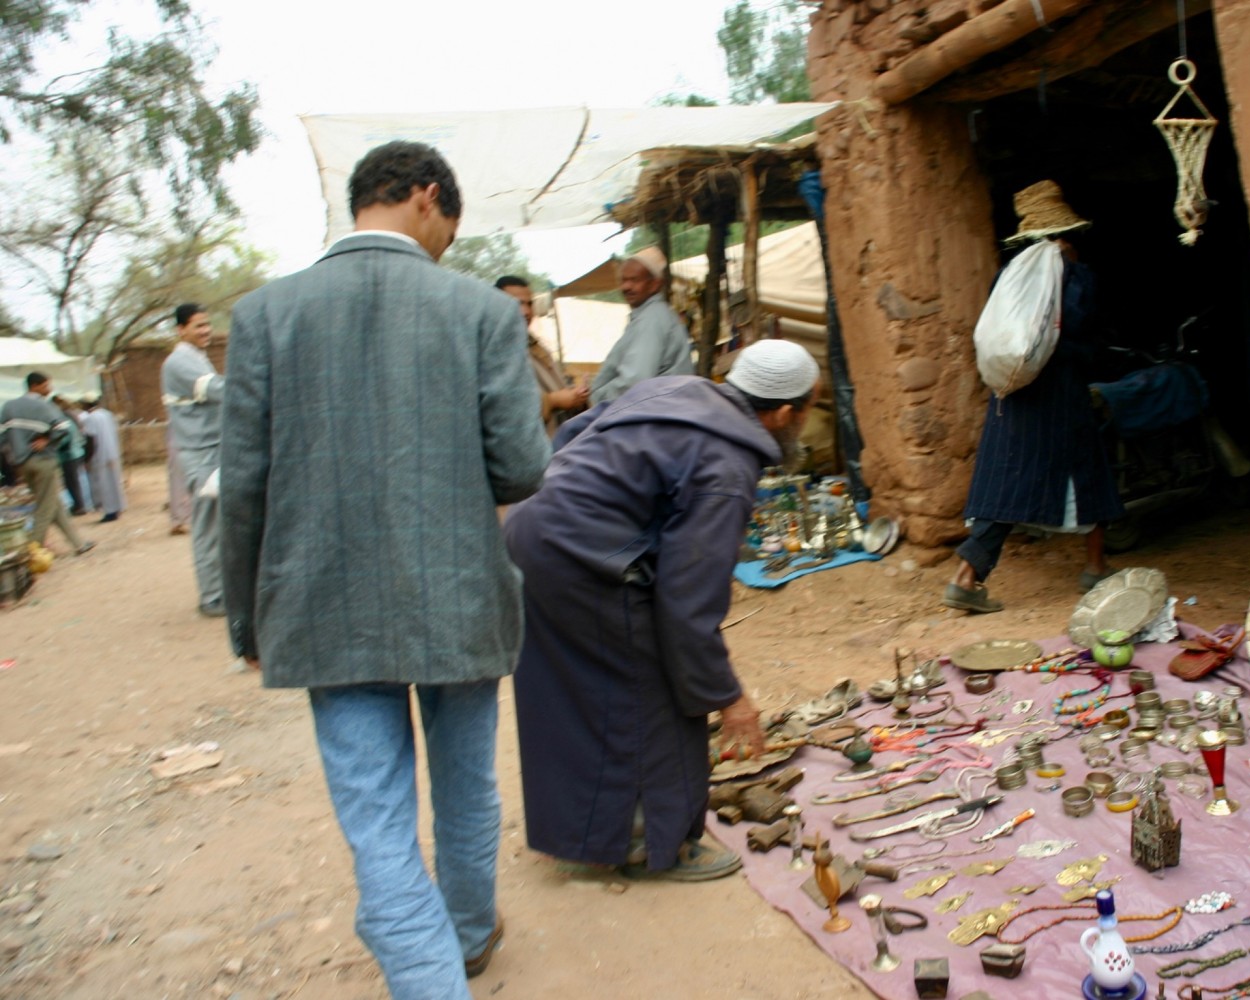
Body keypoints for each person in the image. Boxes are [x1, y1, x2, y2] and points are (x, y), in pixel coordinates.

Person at [219, 140, 550, 999]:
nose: (447, 244)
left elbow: (243, 485)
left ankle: (431, 970)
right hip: (459, 597)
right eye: (451, 229)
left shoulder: (264, 314)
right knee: (466, 787)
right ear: (427, 198)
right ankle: (467, 936)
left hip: (323, 602)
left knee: (378, 825)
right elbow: (522, 468)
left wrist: (249, 619)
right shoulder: (480, 310)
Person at [504, 339, 819, 881]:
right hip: (585, 558)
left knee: (574, 692)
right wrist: (729, 699)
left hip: (532, 531)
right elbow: (688, 603)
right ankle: (654, 844)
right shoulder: (727, 464)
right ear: (787, 412)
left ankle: (584, 833)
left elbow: (574, 434)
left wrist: (579, 502)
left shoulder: (676, 390)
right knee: (654, 692)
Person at [944, 180, 1123, 614]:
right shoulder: (1075, 275)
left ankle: (966, 577)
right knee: (1088, 471)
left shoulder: (1011, 276)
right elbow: (1081, 332)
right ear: (1068, 233)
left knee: (1007, 478)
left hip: (1011, 392)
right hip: (1059, 395)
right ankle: (1094, 566)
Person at [161, 303, 226, 615]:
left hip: (210, 448)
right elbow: (218, 390)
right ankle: (212, 597)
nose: (206, 330)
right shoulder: (179, 362)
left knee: (218, 523)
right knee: (208, 525)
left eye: (207, 324)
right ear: (181, 329)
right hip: (200, 452)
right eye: (198, 325)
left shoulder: (196, 357)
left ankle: (221, 589)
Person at [0, 373, 95, 555]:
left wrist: (14, 456)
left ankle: (78, 543)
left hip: (22, 464)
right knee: (45, 507)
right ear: (34, 386)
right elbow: (63, 428)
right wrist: (47, 439)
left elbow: (2, 438)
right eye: (46, 386)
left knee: (54, 503)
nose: (49, 389)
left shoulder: (9, 407)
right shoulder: (45, 406)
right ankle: (32, 550)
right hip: (44, 461)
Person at [587, 246, 693, 406]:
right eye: (623, 280)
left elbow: (633, 383)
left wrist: (596, 398)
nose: (626, 287)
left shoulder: (652, 319)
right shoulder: (652, 315)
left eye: (634, 280)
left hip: (657, 412)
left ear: (654, 284)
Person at [494, 274, 589, 435]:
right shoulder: (494, 350)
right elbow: (504, 409)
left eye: (529, 304)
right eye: (517, 303)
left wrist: (576, 396)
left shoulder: (535, 346)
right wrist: (553, 401)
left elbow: (556, 387)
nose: (526, 311)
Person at [81, 395, 126, 522]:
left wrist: (87, 458)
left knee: (104, 484)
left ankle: (110, 511)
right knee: (114, 482)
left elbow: (91, 439)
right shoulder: (107, 414)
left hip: (100, 455)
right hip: (112, 452)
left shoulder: (90, 418)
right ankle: (118, 507)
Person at [55, 397, 92, 516]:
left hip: (69, 454)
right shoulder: (72, 417)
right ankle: (81, 504)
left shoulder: (63, 419)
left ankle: (79, 506)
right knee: (77, 479)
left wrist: (54, 445)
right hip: (77, 451)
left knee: (71, 482)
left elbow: (65, 437)